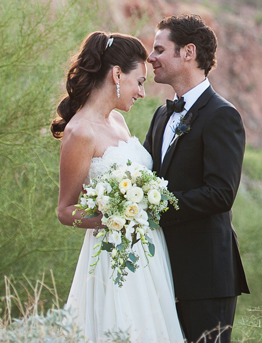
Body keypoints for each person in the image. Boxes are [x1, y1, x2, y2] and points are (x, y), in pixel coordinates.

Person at [54, 31, 185, 343]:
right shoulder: (79, 133)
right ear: (116, 74)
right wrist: (111, 219)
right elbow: (64, 210)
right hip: (112, 257)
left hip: (148, 252)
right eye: (139, 81)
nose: (141, 92)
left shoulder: (119, 122)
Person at [146, 14, 250, 343]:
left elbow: (221, 193)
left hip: (206, 275)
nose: (151, 58)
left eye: (159, 49)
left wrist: (156, 207)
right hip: (162, 270)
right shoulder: (162, 115)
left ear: (187, 52)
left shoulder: (222, 115)